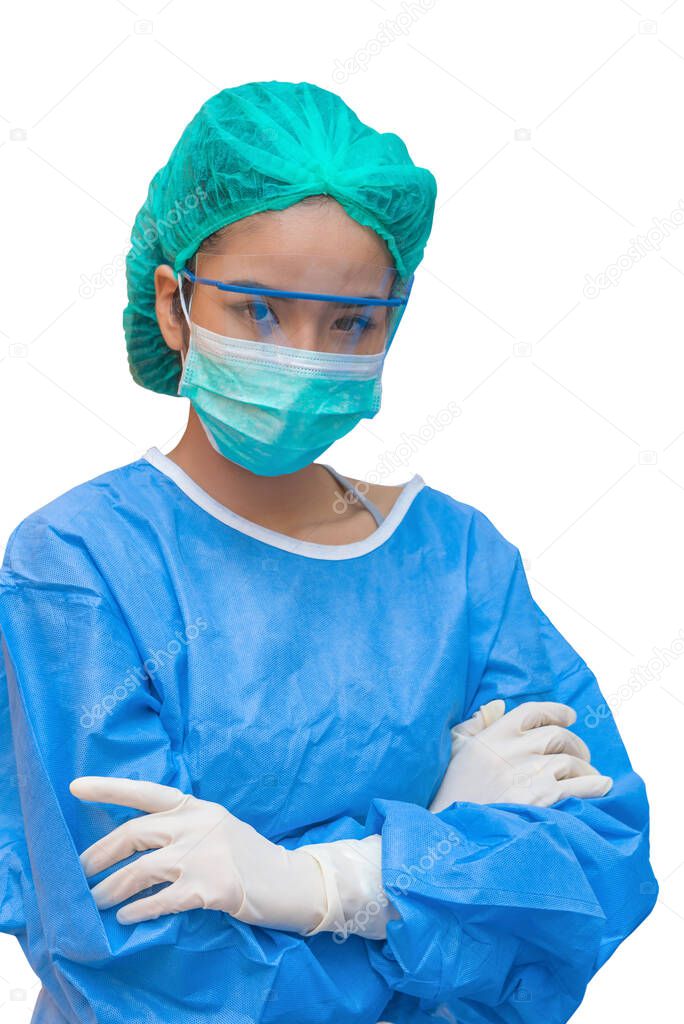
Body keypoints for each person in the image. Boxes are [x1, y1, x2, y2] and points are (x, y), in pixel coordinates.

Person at [0, 80, 656, 1024]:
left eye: (350, 323)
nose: (304, 352)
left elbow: (593, 874)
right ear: (175, 305)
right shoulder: (78, 567)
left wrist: (323, 881)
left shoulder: (458, 564)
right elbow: (145, 974)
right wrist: (439, 851)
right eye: (260, 311)